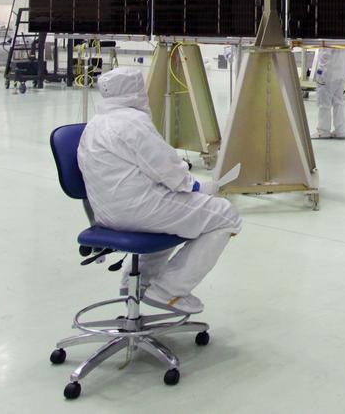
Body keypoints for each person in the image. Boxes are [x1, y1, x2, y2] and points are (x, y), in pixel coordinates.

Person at [77, 67, 241, 314]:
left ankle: (136, 283)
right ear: (136, 91)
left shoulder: (95, 124)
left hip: (106, 212)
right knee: (226, 215)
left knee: (175, 218)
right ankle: (169, 291)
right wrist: (197, 187)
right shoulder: (132, 123)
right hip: (138, 209)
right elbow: (168, 170)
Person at [313, 47, 345, 139]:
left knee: (324, 103)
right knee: (339, 103)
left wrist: (320, 73)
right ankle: (340, 131)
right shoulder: (341, 34)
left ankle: (323, 131)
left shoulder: (326, 34)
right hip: (340, 73)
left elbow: (325, 56)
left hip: (327, 74)